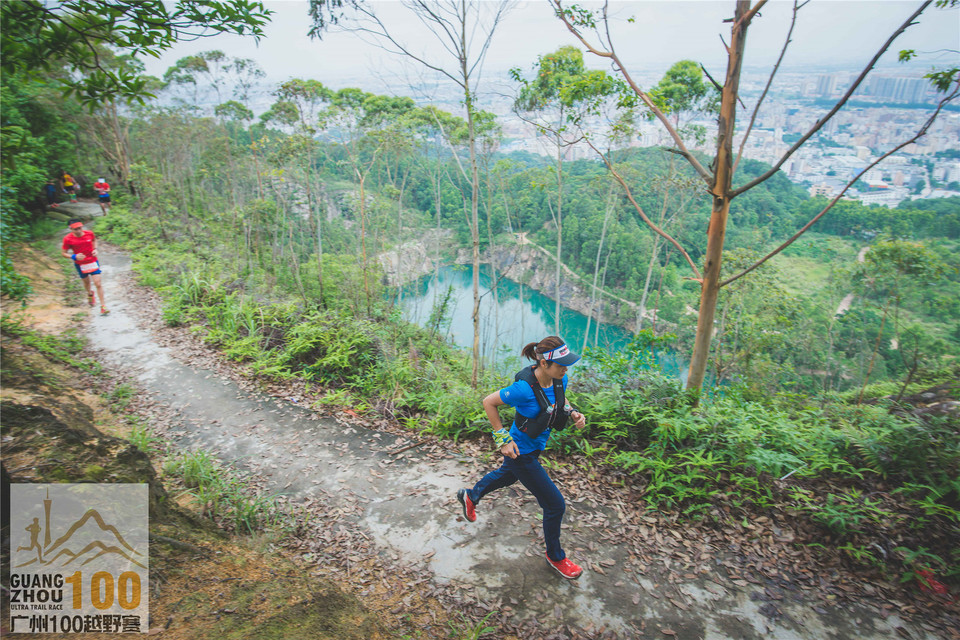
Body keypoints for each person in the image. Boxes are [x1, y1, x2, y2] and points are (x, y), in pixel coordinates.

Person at [457, 336, 587, 579]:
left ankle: (471, 495)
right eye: (561, 364)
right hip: (521, 452)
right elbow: (489, 402)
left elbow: (561, 400)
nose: (566, 368)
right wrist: (503, 440)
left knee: (507, 476)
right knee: (555, 505)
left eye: (567, 364)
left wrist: (573, 413)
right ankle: (556, 557)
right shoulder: (523, 389)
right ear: (543, 364)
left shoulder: (560, 378)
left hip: (535, 446)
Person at [61, 219, 108, 314]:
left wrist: (95, 249)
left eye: (80, 228)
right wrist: (74, 256)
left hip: (92, 261)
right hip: (81, 264)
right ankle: (90, 294)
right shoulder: (68, 239)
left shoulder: (89, 233)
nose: (78, 231)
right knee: (87, 283)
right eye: (75, 229)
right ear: (70, 229)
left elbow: (94, 240)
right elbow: (63, 253)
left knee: (98, 283)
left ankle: (103, 306)